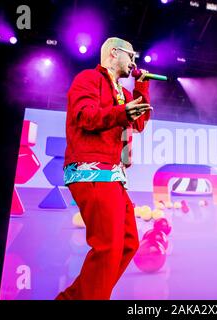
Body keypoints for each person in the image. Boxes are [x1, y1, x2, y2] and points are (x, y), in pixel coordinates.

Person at [56, 37, 152, 300]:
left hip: (114, 176)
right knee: (108, 247)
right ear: (113, 53)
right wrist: (121, 113)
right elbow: (85, 117)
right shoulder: (88, 79)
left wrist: (142, 86)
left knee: (129, 243)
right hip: (91, 171)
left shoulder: (123, 91)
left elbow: (140, 122)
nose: (134, 61)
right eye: (130, 55)